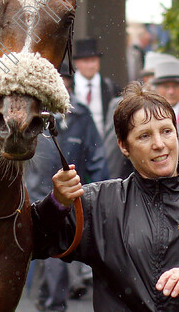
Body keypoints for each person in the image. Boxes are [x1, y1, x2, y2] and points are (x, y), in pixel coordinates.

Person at [32, 82, 179, 311]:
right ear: (123, 145)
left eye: (166, 131)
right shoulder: (96, 205)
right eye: (144, 136)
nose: (159, 144)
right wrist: (55, 205)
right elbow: (29, 242)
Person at [24, 69, 109, 311]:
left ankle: (52, 301)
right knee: (51, 254)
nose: (60, 86)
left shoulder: (80, 116)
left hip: (73, 199)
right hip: (36, 197)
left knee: (59, 254)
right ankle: (50, 302)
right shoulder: (30, 115)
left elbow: (97, 159)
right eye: (54, 81)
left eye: (64, 81)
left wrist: (101, 196)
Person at [103, 51, 174, 179]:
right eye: (159, 80)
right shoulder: (125, 106)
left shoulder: (172, 106)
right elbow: (113, 154)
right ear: (148, 79)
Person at [72, 38, 120, 135]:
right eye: (86, 61)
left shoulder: (110, 88)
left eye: (93, 60)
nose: (90, 66)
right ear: (77, 63)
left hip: (102, 143)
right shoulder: (68, 88)